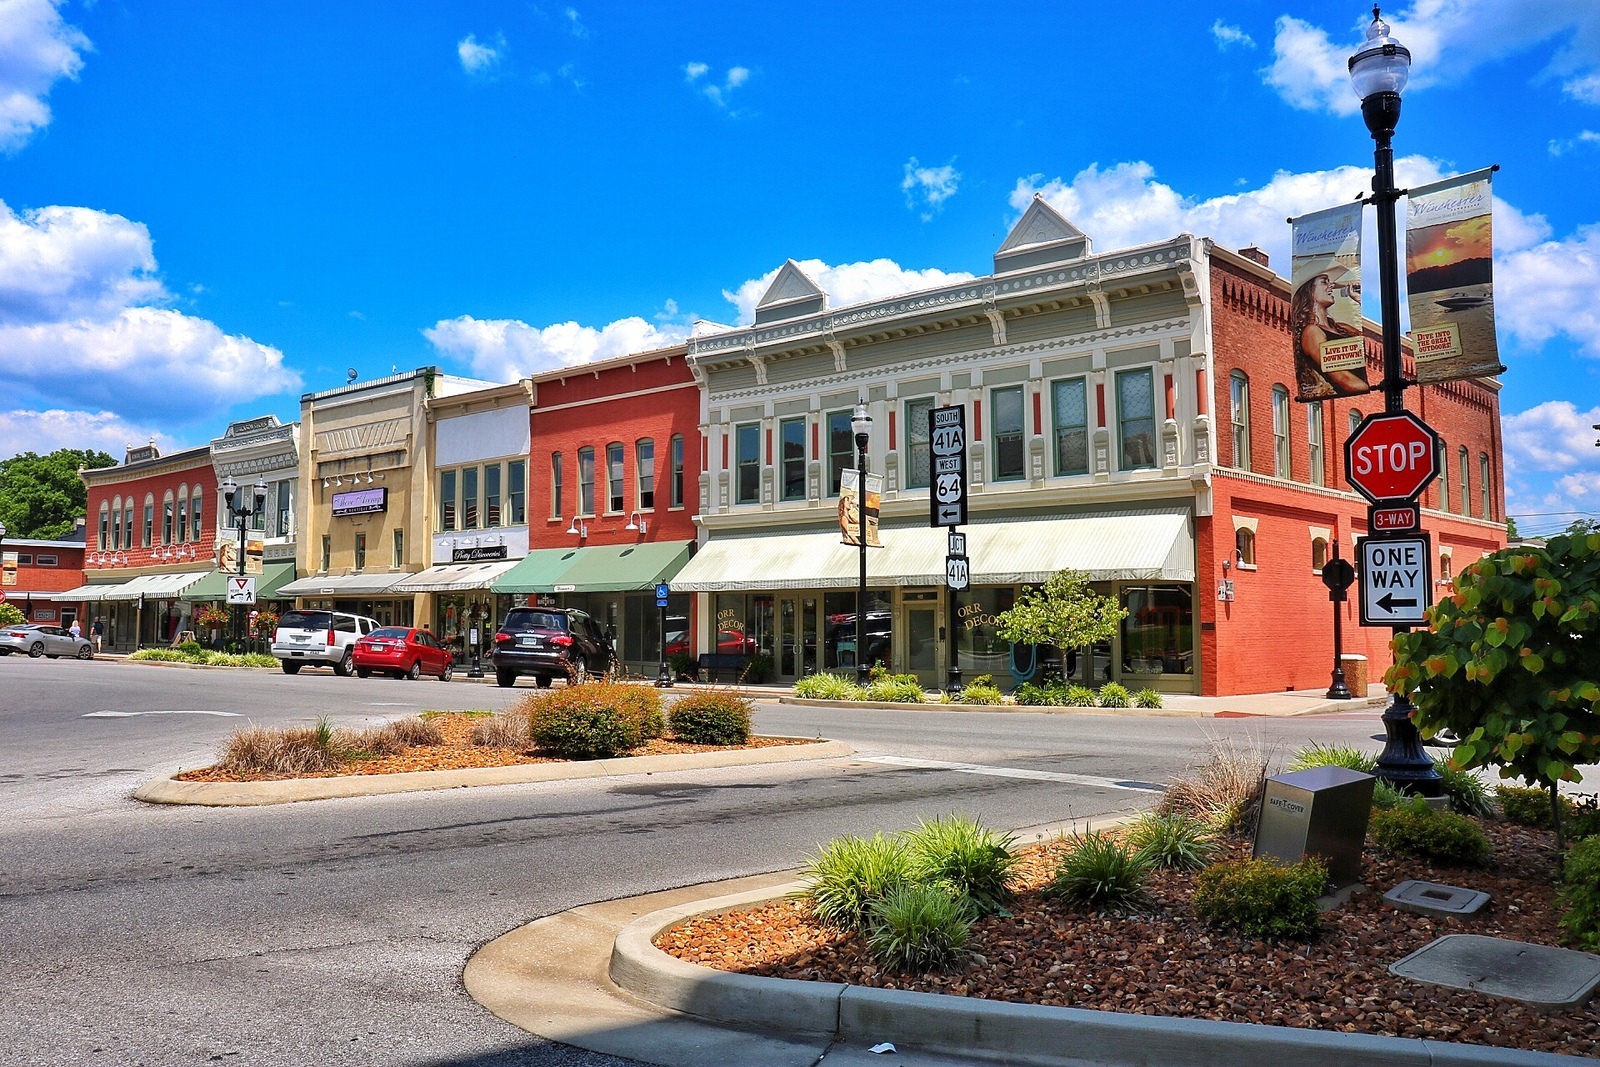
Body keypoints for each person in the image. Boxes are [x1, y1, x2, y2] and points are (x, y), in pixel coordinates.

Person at [1290, 271, 1368, 399]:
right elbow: (1344, 378)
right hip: (1351, 397)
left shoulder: (1342, 327)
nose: (1331, 285)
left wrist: (1358, 299)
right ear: (1310, 291)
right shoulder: (1312, 332)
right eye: (1324, 281)